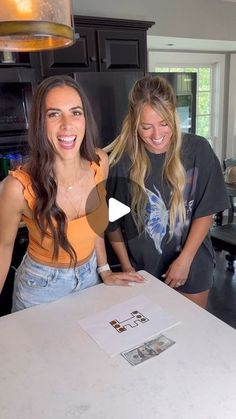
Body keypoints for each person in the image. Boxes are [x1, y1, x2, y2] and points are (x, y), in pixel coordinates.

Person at [0, 75, 143, 312]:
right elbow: (3, 247)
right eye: (54, 114)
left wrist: (104, 269)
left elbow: (97, 219)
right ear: (39, 122)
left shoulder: (100, 163)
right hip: (41, 288)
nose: (67, 124)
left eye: (76, 112)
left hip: (90, 279)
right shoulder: (17, 187)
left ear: (85, 118)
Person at [105, 75, 229, 308]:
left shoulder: (198, 150)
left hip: (192, 265)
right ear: (134, 123)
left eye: (164, 123)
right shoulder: (121, 163)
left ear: (174, 115)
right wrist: (127, 267)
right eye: (146, 127)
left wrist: (185, 259)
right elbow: (112, 225)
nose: (157, 135)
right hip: (142, 272)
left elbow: (205, 211)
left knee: (190, 335)